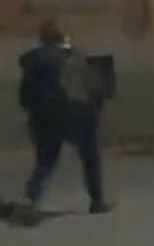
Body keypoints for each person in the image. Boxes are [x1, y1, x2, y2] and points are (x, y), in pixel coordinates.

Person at [13, 19, 109, 222]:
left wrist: (32, 114)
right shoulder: (75, 57)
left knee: (45, 161)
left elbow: (23, 96)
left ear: (41, 41)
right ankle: (97, 201)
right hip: (78, 112)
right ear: (62, 39)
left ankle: (29, 200)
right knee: (89, 156)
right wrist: (96, 110)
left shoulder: (32, 63)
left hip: (44, 115)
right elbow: (95, 87)